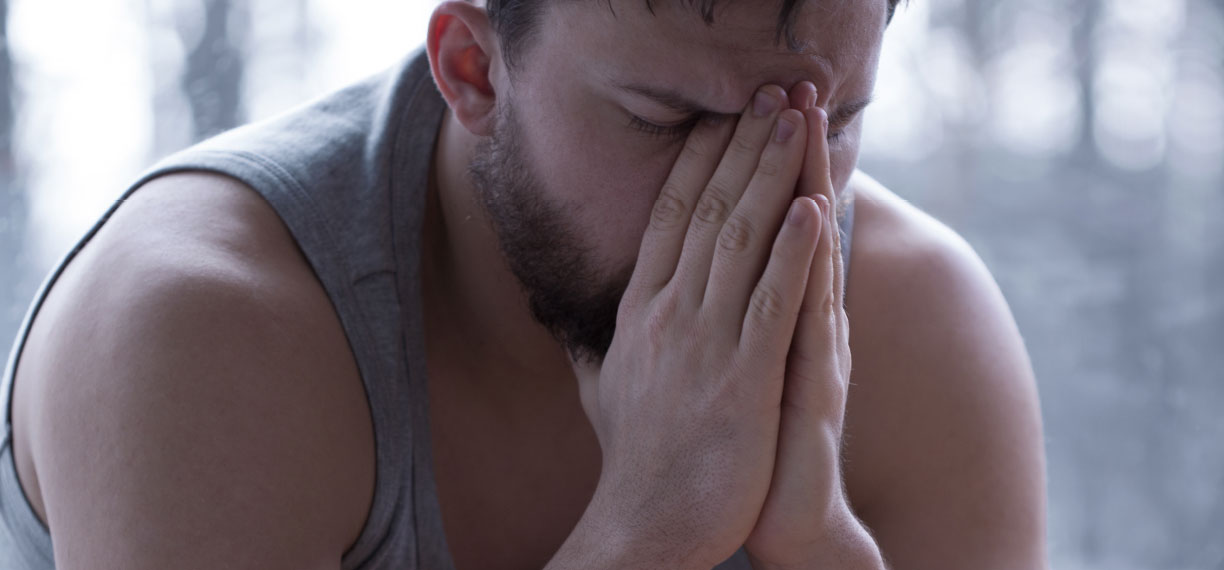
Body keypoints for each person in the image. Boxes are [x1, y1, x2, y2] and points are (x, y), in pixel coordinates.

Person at [0, 0, 1046, 568]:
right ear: (474, 72)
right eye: (668, 122)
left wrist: (816, 549)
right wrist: (652, 532)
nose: (761, 202)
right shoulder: (204, 325)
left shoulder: (920, 323)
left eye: (836, 122)